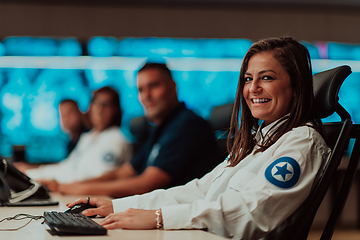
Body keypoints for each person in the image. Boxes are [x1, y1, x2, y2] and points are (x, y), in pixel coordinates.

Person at [67, 37, 332, 239]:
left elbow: (252, 211)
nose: (253, 88)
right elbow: (200, 190)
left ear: (296, 87)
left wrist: (159, 218)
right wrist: (118, 206)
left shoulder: (301, 142)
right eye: (248, 78)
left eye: (267, 78)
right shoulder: (260, 140)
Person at [55, 63, 222, 198]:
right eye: (141, 89)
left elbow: (146, 184)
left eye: (153, 86)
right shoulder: (160, 128)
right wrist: (76, 186)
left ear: (173, 87)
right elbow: (123, 173)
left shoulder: (187, 125)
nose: (146, 96)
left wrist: (78, 190)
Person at [15, 87, 132, 185]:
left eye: (106, 105)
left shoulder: (116, 139)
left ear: (116, 110)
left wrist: (38, 178)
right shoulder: (89, 137)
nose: (99, 109)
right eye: (96, 103)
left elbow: (93, 178)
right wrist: (30, 172)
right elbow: (68, 167)